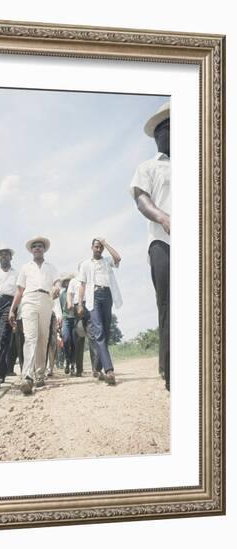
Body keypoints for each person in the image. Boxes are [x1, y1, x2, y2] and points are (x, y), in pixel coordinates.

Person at [130, 102, 170, 391]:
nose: (166, 134)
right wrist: (163, 217)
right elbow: (141, 199)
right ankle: (171, 369)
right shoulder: (148, 167)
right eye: (163, 130)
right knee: (168, 304)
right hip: (163, 242)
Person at [9, 237, 61, 395]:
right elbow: (19, 291)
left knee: (43, 338)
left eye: (40, 246)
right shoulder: (25, 268)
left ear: (44, 249)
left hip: (46, 300)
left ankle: (40, 374)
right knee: (30, 338)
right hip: (29, 300)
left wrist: (57, 287)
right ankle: (27, 376)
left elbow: (57, 282)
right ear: (31, 250)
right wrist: (12, 309)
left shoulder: (51, 267)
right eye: (34, 246)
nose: (37, 248)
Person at [78, 238, 122, 385]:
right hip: (93, 297)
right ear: (92, 247)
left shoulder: (107, 260)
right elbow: (82, 285)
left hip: (107, 295)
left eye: (101, 247)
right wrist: (79, 304)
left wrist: (107, 243)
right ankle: (109, 370)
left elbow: (118, 258)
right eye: (96, 247)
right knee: (99, 331)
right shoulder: (85, 264)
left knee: (106, 332)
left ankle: (97, 367)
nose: (99, 249)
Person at [0, 246, 18, 388]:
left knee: (3, 337)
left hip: (9, 304)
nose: (3, 257)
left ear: (11, 257)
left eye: (6, 255)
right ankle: (3, 369)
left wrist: (15, 310)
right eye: (1, 255)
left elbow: (19, 293)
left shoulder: (16, 274)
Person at [58, 273, 76, 375]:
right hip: (65, 319)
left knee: (74, 342)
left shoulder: (75, 292)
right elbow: (60, 308)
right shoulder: (62, 294)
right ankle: (67, 359)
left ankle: (72, 363)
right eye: (66, 281)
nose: (67, 283)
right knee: (65, 339)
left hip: (75, 319)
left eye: (69, 281)